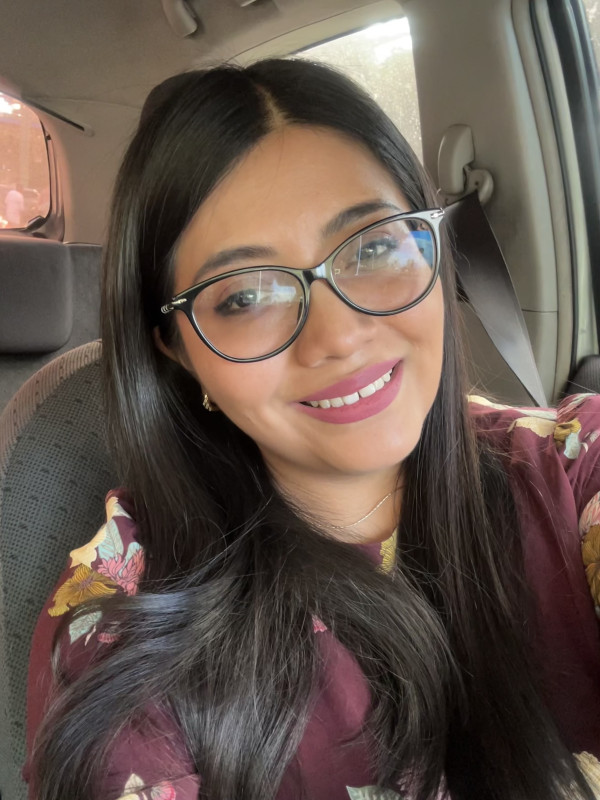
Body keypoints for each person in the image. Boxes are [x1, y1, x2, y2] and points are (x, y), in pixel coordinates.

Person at [24, 59, 600, 800]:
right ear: (176, 350)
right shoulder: (124, 634)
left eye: (373, 247)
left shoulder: (569, 466)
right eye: (245, 296)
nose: (338, 336)